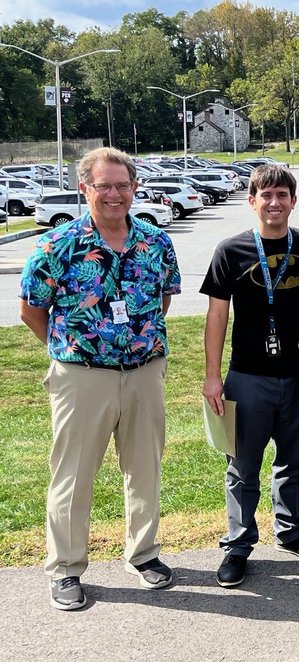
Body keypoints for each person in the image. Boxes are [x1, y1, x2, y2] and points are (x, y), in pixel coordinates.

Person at [19, 147, 181, 610]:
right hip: (82, 374)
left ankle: (143, 553)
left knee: (145, 467)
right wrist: (73, 350)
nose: (114, 194)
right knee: (72, 473)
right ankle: (66, 567)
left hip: (145, 371)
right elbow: (32, 311)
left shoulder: (156, 241)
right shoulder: (58, 245)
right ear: (84, 188)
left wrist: (133, 341)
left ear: (134, 188)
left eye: (122, 185)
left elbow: (162, 301)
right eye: (104, 185)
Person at [202, 165, 299, 588]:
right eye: (266, 195)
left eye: (282, 194)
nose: (274, 202)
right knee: (242, 465)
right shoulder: (230, 250)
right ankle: (238, 546)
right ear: (251, 200)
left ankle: (291, 533)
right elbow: (217, 315)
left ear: (293, 201)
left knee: (294, 459)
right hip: (248, 376)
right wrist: (212, 376)